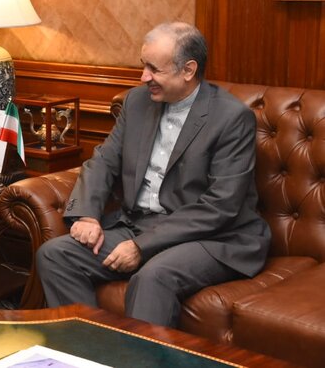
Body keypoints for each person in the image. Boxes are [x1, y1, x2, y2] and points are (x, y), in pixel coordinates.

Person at [36, 22, 271, 328]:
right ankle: (89, 348)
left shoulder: (231, 118)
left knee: (152, 277)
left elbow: (220, 205)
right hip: (140, 224)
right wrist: (88, 214)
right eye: (143, 65)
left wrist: (142, 246)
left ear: (188, 70)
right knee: (55, 254)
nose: (143, 77)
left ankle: (138, 354)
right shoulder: (136, 102)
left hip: (213, 237)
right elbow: (104, 161)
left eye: (154, 69)